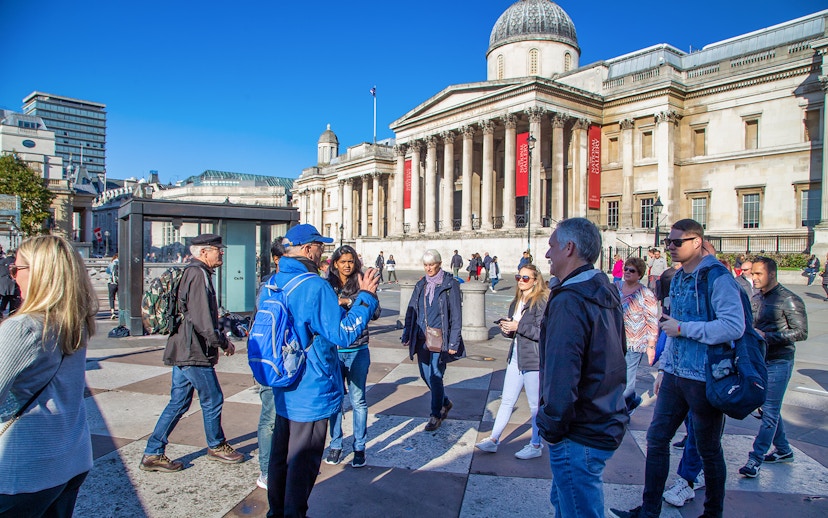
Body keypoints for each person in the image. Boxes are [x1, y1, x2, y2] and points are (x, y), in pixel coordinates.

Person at [611, 219, 745, 518]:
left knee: (708, 449)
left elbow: (733, 326)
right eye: (669, 242)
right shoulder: (679, 277)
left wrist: (684, 329)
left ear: (697, 242)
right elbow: (670, 325)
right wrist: (664, 369)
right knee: (657, 439)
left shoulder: (717, 277)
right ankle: (649, 510)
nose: (670, 246)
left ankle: (713, 513)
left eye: (676, 242)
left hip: (705, 375)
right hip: (676, 375)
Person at [267, 224, 379, 518]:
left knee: (281, 458)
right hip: (311, 385)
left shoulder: (273, 282)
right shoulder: (314, 286)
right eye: (320, 246)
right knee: (302, 465)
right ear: (307, 249)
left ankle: (275, 512)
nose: (323, 252)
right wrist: (366, 297)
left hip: (283, 383)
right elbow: (343, 334)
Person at [0, 235, 97, 516]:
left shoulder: (22, 328)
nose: (14, 277)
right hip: (71, 457)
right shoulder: (73, 322)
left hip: (24, 468)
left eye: (15, 270)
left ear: (39, 273)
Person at [538, 218, 628, 518]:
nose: (548, 254)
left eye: (552, 246)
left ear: (569, 248)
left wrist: (550, 424)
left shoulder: (570, 301)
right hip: (603, 415)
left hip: (578, 429)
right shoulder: (604, 288)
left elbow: (562, 374)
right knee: (567, 506)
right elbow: (620, 354)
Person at [141, 233, 244, 473]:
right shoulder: (198, 275)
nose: (222, 253)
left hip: (184, 347)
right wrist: (222, 342)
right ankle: (216, 445)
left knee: (179, 401)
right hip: (192, 350)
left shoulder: (196, 273)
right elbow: (202, 320)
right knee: (213, 397)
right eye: (218, 249)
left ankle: (153, 452)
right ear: (204, 252)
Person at [738, 257, 808, 478]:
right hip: (759, 359)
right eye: (753, 273)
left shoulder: (789, 299)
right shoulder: (756, 298)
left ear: (772, 274)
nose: (754, 278)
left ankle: (755, 459)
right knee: (765, 409)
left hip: (779, 360)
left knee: (769, 411)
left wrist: (768, 336)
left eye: (758, 274)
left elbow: (800, 332)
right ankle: (784, 449)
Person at [476, 264, 549, 459]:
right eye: (519, 277)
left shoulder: (541, 301)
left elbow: (543, 333)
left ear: (535, 280)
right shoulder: (517, 300)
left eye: (525, 278)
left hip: (533, 359)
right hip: (516, 356)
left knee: (535, 405)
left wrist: (519, 326)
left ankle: (536, 444)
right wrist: (507, 329)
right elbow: (515, 331)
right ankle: (493, 439)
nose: (521, 281)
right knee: (507, 400)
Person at [324, 245, 381, 467]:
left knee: (358, 400)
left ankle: (359, 446)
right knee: (336, 400)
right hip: (334, 350)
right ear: (335, 263)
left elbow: (375, 312)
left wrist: (348, 302)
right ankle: (336, 444)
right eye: (343, 261)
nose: (347, 265)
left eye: (350, 261)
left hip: (358, 348)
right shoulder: (327, 284)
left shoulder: (362, 281)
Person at [401, 249, 465, 432]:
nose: (429, 268)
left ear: (439, 264)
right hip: (421, 337)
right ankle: (445, 401)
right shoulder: (420, 284)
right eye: (426, 265)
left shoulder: (450, 284)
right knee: (425, 373)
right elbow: (411, 310)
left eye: (432, 264)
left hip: (440, 338)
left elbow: (456, 316)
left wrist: (454, 342)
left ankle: (435, 414)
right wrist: (407, 333)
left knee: (436, 375)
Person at [256, 237, 286, 490]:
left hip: (286, 363)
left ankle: (278, 465)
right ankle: (266, 471)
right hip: (273, 361)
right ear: (277, 260)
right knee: (270, 417)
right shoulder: (269, 287)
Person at [615, 257, 658, 414]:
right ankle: (633, 400)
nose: (627, 272)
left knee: (627, 376)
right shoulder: (616, 287)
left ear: (639, 274)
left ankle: (623, 409)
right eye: (625, 269)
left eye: (631, 270)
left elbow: (652, 321)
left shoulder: (645, 293)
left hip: (635, 341)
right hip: (615, 339)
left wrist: (651, 346)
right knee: (614, 375)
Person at [0, 253, 19, 318]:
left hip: (3, 284)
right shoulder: (16, 261)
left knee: (5, 298)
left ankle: (1, 311)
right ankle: (11, 313)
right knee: (12, 300)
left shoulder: (2, 261)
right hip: (13, 284)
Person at [107, 253, 120, 320]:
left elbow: (108, 271)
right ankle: (121, 312)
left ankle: (113, 312)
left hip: (111, 282)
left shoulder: (111, 263)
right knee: (120, 298)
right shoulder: (121, 263)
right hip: (119, 283)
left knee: (111, 298)